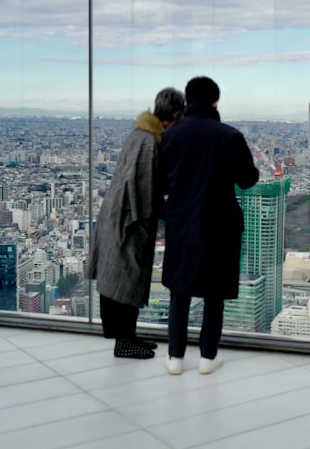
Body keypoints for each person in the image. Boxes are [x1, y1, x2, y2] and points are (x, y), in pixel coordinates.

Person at [160, 76, 259, 375]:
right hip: (220, 220)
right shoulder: (229, 136)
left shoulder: (170, 135)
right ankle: (207, 357)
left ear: (186, 102)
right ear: (216, 102)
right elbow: (248, 179)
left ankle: (175, 357)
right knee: (214, 290)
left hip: (181, 220)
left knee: (180, 287)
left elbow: (160, 180)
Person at [88, 87, 185, 359]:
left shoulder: (141, 135)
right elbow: (144, 189)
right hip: (129, 220)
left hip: (122, 215)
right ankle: (123, 342)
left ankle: (128, 336)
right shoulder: (148, 141)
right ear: (174, 116)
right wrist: (171, 212)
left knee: (125, 277)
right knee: (124, 278)